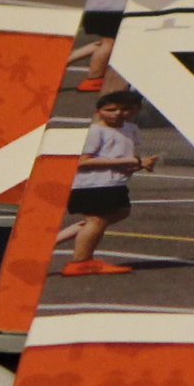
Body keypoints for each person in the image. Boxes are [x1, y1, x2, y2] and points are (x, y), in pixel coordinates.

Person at [59, 91, 157, 276]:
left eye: (125, 109)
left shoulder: (130, 129)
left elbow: (121, 157)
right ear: (98, 112)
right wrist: (133, 161)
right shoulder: (95, 131)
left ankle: (54, 242)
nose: (118, 113)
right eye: (111, 109)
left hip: (113, 183)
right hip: (92, 184)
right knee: (96, 220)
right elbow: (82, 161)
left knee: (119, 212)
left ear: (136, 110)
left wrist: (138, 165)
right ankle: (80, 262)